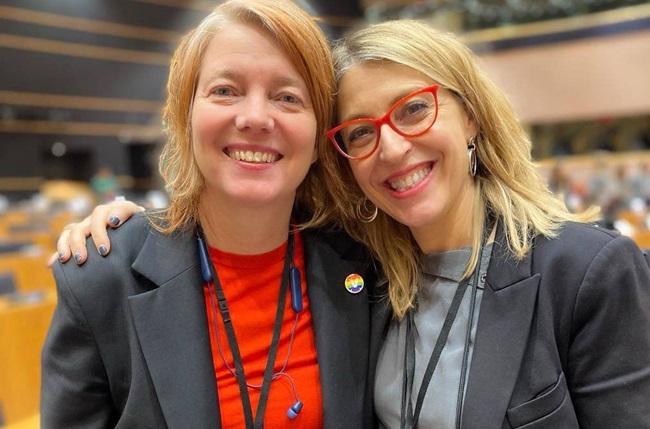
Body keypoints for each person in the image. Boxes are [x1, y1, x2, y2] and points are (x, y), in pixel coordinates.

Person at [56, 19, 650, 429]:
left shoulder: (589, 272)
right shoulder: (375, 276)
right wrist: (128, 223)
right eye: (360, 132)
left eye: (414, 109)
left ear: (471, 117)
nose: (391, 148)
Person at [41, 1, 377, 428]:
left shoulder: (365, 266)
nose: (255, 117)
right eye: (225, 90)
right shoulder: (101, 278)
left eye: (287, 97)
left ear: (316, 140)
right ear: (187, 117)